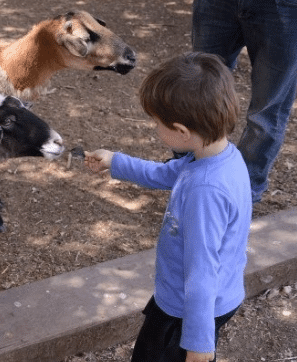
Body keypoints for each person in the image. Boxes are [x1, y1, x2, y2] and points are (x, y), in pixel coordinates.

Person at [85, 52, 252, 362]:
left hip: (186, 312)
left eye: (157, 122)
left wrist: (199, 345)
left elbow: (201, 272)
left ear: (181, 131)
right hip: (205, 297)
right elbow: (165, 174)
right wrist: (116, 163)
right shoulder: (218, 155)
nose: (154, 127)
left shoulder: (206, 191)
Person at [191, 0, 297, 203]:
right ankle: (192, 182)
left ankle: (239, 197)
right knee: (198, 92)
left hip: (291, 6)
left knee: (267, 112)